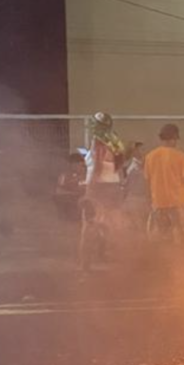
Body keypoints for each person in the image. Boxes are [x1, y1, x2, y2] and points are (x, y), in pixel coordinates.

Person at [79, 112, 125, 269]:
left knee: (89, 225)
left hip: (99, 187)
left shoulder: (98, 142)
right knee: (110, 224)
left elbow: (97, 167)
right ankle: (114, 257)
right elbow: (119, 168)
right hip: (113, 186)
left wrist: (89, 192)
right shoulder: (116, 141)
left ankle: (86, 263)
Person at [143, 123, 184, 245]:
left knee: (161, 236)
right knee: (179, 234)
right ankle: (177, 261)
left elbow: (147, 180)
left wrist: (149, 200)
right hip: (178, 202)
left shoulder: (150, 156)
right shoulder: (181, 156)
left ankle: (163, 260)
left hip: (158, 202)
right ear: (174, 138)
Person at [120, 142, 151, 235]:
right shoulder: (127, 166)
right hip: (132, 200)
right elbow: (124, 184)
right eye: (141, 149)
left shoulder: (146, 166)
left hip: (144, 200)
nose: (144, 152)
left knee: (143, 228)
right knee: (134, 229)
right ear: (135, 151)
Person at [54, 153, 85, 221]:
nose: (82, 168)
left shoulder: (86, 176)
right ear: (73, 165)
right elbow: (58, 191)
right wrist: (74, 194)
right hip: (69, 205)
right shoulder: (64, 176)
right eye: (80, 165)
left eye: (82, 165)